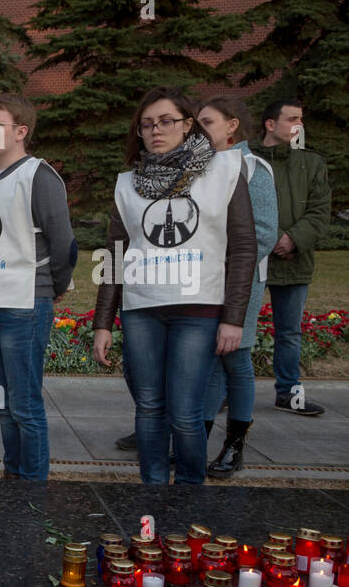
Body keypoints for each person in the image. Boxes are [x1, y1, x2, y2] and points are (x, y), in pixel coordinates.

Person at [93, 87, 257, 485]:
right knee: (148, 407)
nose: (155, 130)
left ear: (187, 125)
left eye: (166, 121)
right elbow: (115, 253)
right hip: (141, 309)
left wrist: (233, 319)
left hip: (198, 308)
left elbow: (243, 248)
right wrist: (103, 322)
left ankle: (188, 494)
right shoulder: (128, 184)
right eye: (146, 124)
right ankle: (152, 491)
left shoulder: (224, 171)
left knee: (185, 412)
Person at [0, 94, 76, 481]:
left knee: (25, 405)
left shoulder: (38, 176)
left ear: (21, 132)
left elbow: (64, 244)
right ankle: (12, 480)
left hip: (24, 305)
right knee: (2, 403)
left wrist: (53, 287)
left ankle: (33, 489)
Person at [196, 96, 279, 477]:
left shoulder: (251, 167)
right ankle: (198, 442)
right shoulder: (202, 167)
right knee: (212, 359)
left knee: (236, 357)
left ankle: (234, 446)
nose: (199, 130)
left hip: (240, 280)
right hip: (203, 278)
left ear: (232, 126)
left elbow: (262, 233)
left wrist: (226, 267)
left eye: (207, 122)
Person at [251, 98, 332, 417]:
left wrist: (293, 239)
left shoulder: (312, 163)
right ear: (270, 124)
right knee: (238, 328)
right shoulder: (246, 159)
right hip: (251, 261)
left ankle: (288, 393)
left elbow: (320, 211)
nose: (300, 124)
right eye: (293, 118)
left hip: (293, 260)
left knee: (289, 331)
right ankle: (225, 392)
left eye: (301, 118)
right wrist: (264, 239)